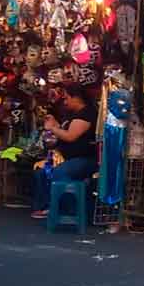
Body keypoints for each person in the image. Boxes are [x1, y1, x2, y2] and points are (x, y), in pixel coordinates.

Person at [31, 85, 98, 220]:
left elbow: (70, 136)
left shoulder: (86, 113)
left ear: (77, 98)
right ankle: (47, 206)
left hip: (84, 159)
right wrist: (55, 125)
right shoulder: (72, 114)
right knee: (41, 172)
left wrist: (53, 128)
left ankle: (71, 210)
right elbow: (64, 132)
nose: (65, 102)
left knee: (60, 174)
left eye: (67, 98)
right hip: (66, 157)